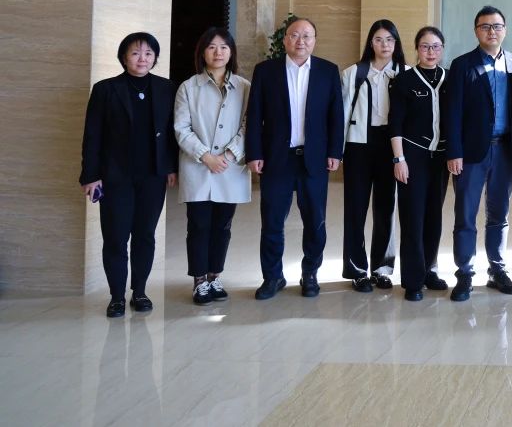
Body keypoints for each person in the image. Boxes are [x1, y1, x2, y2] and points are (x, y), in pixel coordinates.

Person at [79, 33, 178, 318]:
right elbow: (92, 135)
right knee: (115, 237)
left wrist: (170, 167)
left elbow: (171, 132)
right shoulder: (105, 89)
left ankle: (140, 292)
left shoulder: (166, 88)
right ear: (124, 57)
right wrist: (91, 175)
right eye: (135, 53)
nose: (142, 59)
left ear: (155, 58)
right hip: (115, 177)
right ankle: (116, 297)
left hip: (153, 176)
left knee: (145, 235)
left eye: (148, 53)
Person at [245, 17, 345, 299]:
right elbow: (255, 115)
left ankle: (310, 273)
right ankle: (272, 277)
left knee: (315, 221)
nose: (301, 41)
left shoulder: (327, 71)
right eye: (294, 35)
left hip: (314, 159)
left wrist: (335, 152)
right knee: (272, 221)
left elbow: (336, 116)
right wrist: (254, 153)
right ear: (285, 39)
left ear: (315, 40)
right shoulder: (265, 71)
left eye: (307, 36)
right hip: (277, 158)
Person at [443, 5, 512, 301]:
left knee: (499, 213)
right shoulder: (462, 65)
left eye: (497, 26)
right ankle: (465, 273)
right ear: (476, 31)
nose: (492, 31)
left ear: (505, 30)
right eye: (485, 26)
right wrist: (454, 151)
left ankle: (497, 270)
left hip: (505, 151)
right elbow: (452, 112)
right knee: (465, 214)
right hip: (471, 153)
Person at [174, 27, 251, 305]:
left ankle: (215, 276)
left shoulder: (244, 87)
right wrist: (206, 156)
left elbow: (249, 125)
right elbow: (181, 128)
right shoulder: (188, 87)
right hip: (198, 166)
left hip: (230, 167)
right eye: (211, 47)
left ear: (231, 53)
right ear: (202, 52)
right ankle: (199, 280)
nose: (218, 52)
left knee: (223, 225)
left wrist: (229, 154)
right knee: (198, 225)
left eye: (224, 47)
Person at [340, 19, 406, 293]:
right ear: (371, 42)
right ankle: (357, 269)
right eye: (379, 39)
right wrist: (337, 151)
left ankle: (382, 268)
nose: (384, 45)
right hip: (358, 145)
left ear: (396, 43)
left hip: (390, 145)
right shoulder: (354, 73)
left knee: (386, 208)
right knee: (355, 208)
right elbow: (342, 113)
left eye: (389, 39)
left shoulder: (405, 73)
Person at [388, 26, 451, 301]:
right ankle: (413, 281)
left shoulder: (450, 78)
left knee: (434, 216)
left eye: (436, 46)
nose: (430, 52)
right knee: (413, 216)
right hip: (413, 156)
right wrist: (399, 159)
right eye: (425, 46)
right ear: (416, 49)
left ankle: (429, 270)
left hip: (441, 158)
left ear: (442, 49)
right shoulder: (404, 80)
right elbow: (395, 123)